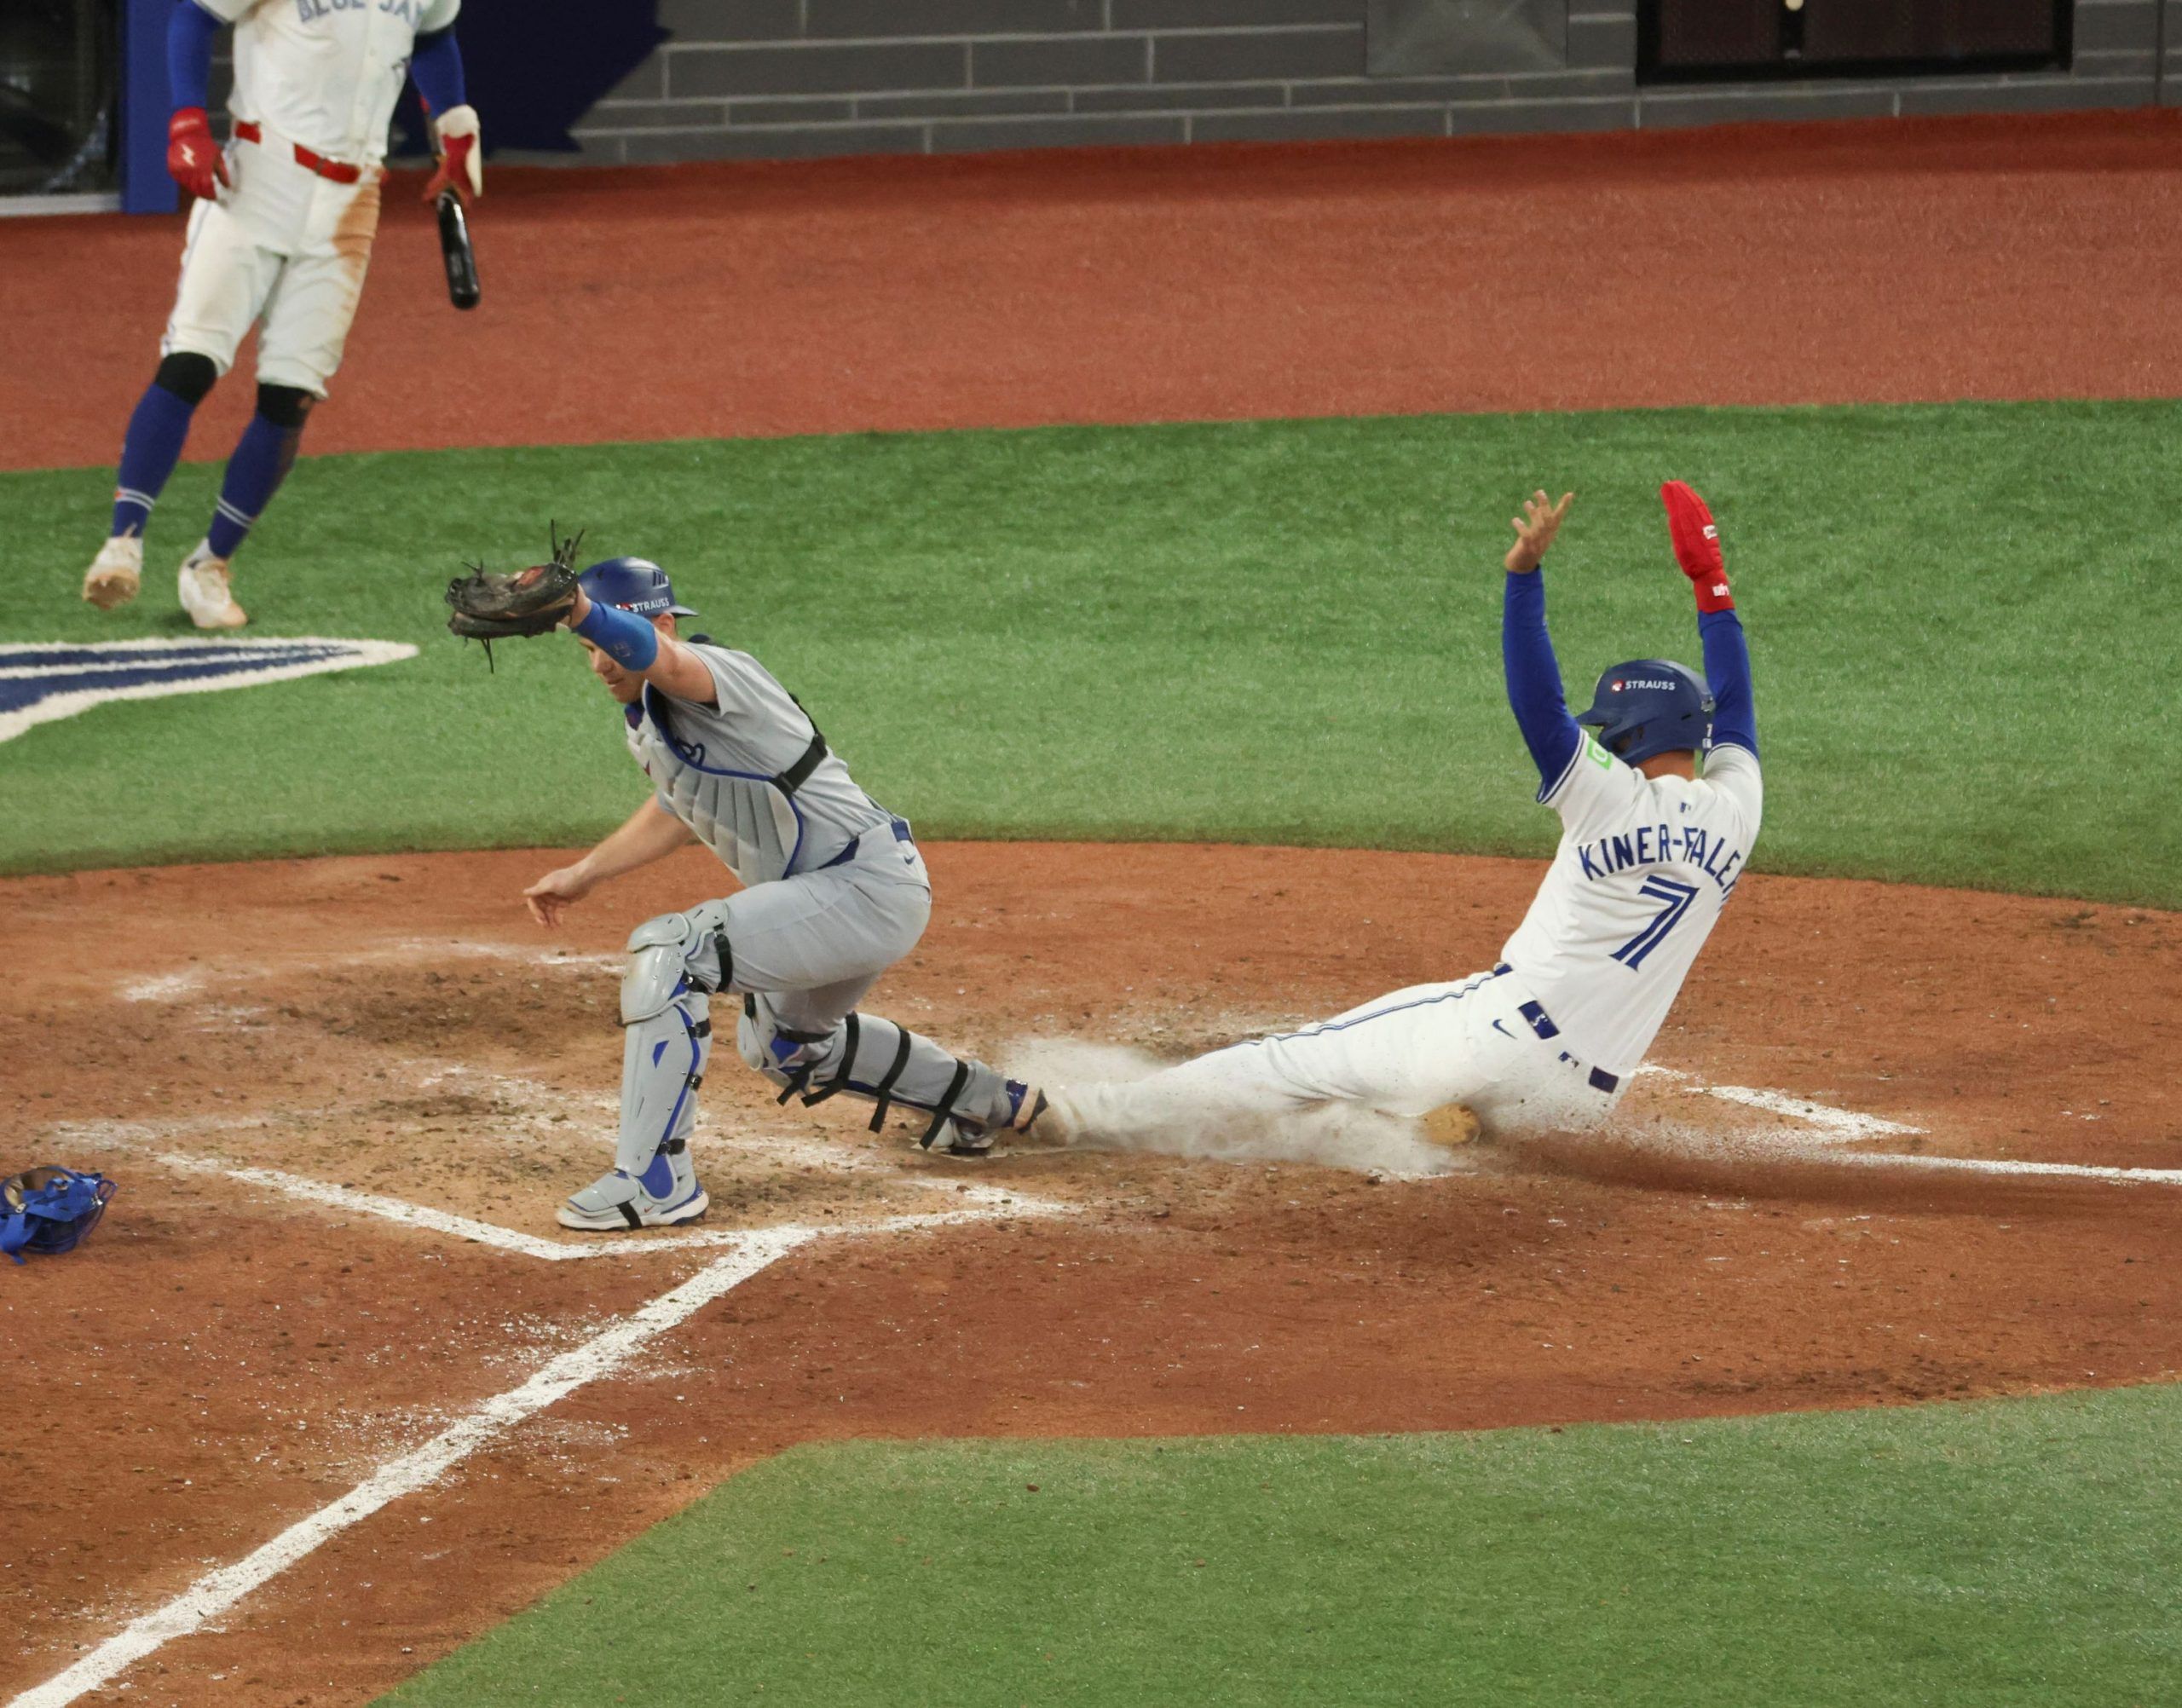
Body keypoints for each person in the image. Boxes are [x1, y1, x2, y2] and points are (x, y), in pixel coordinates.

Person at [1049, 480, 1761, 1145]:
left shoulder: (1608, 795)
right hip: (1579, 1106)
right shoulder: (1738, 811)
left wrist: (1523, 577)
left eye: (1611, 728)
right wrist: (1713, 584)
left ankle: (1079, 1115)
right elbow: (1733, 709)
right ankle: (1423, 1121)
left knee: (1288, 1064)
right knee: (1396, 1091)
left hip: (1496, 1042)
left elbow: (1538, 705)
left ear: (1632, 731)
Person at [521, 556, 1048, 1231]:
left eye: (608, 643)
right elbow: (678, 805)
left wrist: (580, 612)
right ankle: (979, 1104)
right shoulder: (652, 717)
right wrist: (585, 875)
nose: (599, 663)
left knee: (675, 949)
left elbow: (665, 660)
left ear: (658, 625)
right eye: (588, 649)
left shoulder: (716, 674)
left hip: (864, 885)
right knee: (785, 1046)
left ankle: (654, 1182)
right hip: (835, 897)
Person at [80, 0, 482, 629]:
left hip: (352, 201)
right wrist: (186, 122)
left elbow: (434, 37)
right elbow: (191, 18)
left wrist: (454, 125)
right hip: (256, 177)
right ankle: (123, 541)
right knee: (192, 361)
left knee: (291, 396)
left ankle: (210, 565)